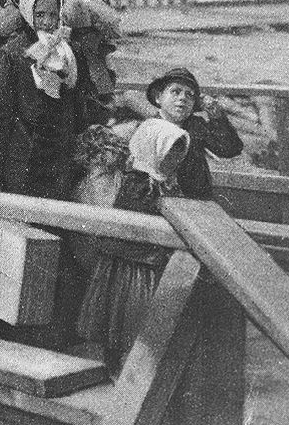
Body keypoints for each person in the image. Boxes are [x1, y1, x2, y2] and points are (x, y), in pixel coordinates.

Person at [0, 0, 87, 347]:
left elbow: (72, 112)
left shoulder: (65, 55)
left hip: (54, 165)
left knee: (52, 248)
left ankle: (47, 333)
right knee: (10, 250)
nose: (48, 22)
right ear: (29, 14)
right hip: (19, 165)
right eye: (42, 14)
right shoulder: (10, 56)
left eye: (54, 14)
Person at [77, 118, 190, 374]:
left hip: (149, 259)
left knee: (139, 322)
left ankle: (136, 368)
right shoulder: (137, 183)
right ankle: (119, 369)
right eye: (170, 152)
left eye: (178, 153)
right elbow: (131, 226)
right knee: (124, 320)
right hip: (132, 264)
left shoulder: (163, 183)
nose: (175, 159)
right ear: (153, 149)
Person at [145, 67, 242, 200]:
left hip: (197, 201)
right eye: (175, 91)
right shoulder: (149, 129)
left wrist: (216, 117)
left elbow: (230, 149)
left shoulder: (196, 125)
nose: (182, 98)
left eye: (189, 95)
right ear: (158, 97)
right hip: (159, 202)